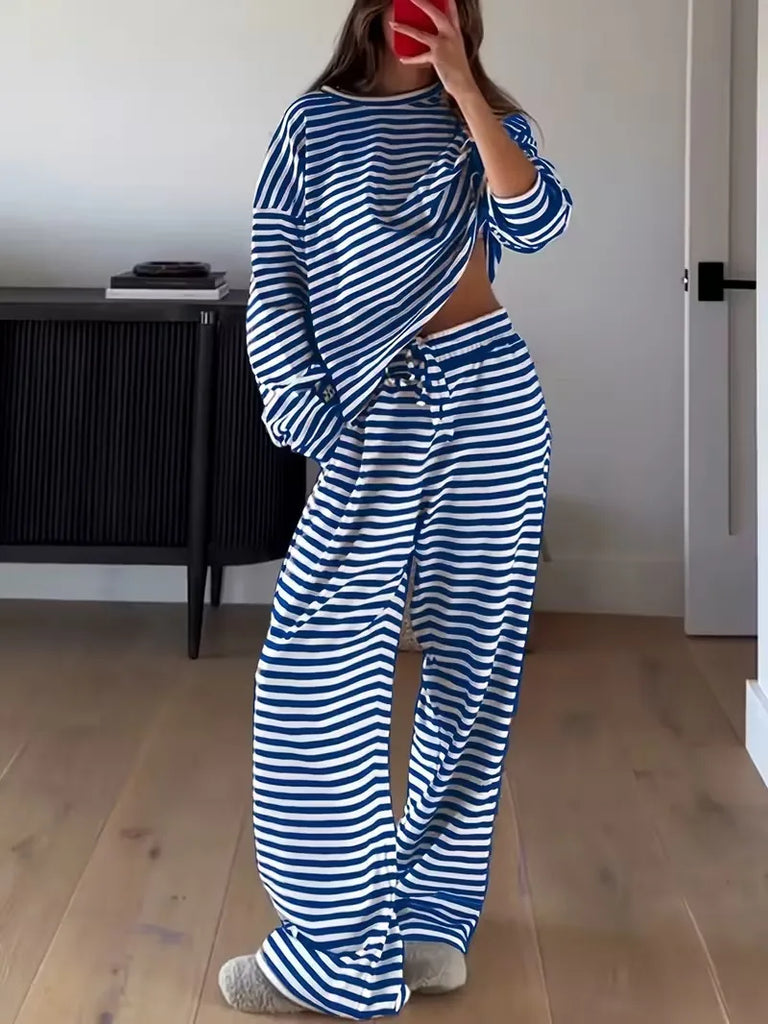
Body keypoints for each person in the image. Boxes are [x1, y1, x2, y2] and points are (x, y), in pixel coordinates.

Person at [219, 0, 572, 1017]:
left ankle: (430, 918)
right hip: (372, 411)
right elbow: (277, 272)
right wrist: (302, 404)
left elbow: (538, 222)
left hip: (491, 396)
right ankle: (333, 947)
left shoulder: (487, 120)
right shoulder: (313, 124)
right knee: (313, 664)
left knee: (474, 663)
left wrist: (465, 90)